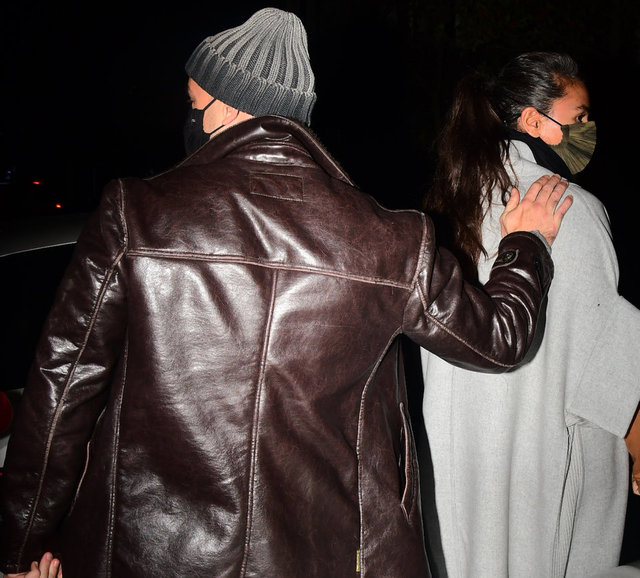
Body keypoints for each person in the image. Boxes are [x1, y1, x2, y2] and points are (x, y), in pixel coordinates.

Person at [0, 11, 570, 577]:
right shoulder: (393, 240)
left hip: (148, 555)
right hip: (320, 556)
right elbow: (499, 340)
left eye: (195, 103)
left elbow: (63, 386)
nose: (191, 117)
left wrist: (21, 547)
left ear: (228, 105)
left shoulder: (135, 214)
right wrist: (526, 242)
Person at [419, 51, 640, 578]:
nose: (588, 129)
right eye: (579, 116)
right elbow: (603, 359)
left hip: (456, 459)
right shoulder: (565, 206)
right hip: (541, 460)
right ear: (534, 121)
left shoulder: (452, 205)